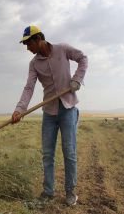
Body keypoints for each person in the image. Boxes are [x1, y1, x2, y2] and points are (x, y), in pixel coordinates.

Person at [12, 25, 88, 206]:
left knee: (69, 152)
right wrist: (19, 109)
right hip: (49, 112)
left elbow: (83, 58)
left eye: (28, 43)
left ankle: (70, 192)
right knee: (47, 154)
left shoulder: (62, 49)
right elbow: (29, 88)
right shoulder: (34, 64)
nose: (27, 48)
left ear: (38, 39)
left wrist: (77, 79)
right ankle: (48, 191)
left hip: (68, 109)